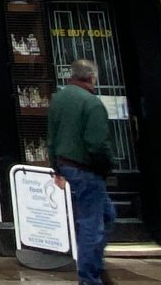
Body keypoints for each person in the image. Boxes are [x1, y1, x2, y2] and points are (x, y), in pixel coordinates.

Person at [49, 58, 116, 285]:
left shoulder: (59, 98)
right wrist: (107, 168)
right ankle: (89, 278)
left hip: (67, 166)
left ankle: (96, 265)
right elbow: (97, 145)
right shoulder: (92, 103)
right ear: (91, 77)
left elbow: (52, 136)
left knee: (107, 215)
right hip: (86, 171)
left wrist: (56, 169)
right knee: (92, 225)